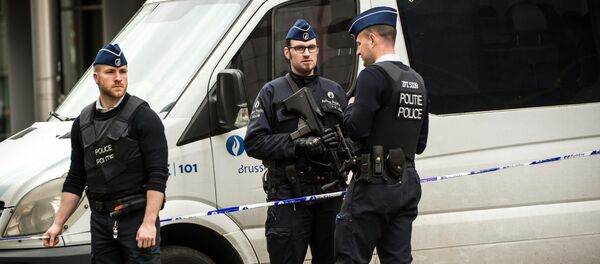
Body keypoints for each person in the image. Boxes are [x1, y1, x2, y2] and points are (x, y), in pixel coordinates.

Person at [42, 43, 168, 264]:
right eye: (110, 72)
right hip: (101, 221)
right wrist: (57, 223)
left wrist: (149, 223)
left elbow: (157, 175)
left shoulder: (144, 117)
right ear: (96, 77)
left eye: (123, 71)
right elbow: (76, 178)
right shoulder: (82, 122)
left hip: (137, 219)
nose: (118, 77)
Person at [244, 19, 348, 264]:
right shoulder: (271, 92)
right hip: (290, 195)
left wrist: (339, 145)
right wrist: (297, 144)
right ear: (287, 52)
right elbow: (254, 143)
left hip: (330, 194)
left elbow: (353, 138)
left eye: (311, 47)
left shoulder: (334, 91)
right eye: (300, 48)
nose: (307, 53)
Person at [335, 7, 429, 264]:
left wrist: (350, 106)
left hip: (373, 185)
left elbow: (357, 129)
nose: (357, 51)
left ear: (373, 39)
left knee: (349, 256)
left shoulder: (372, 75)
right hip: (407, 183)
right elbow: (420, 143)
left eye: (359, 43)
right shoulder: (417, 80)